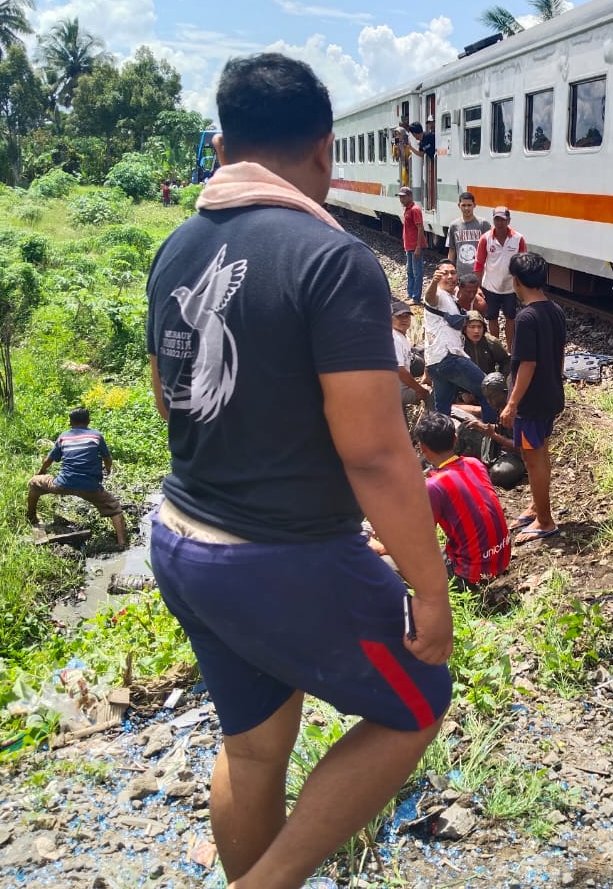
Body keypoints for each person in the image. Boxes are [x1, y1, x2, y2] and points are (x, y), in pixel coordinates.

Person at [144, 52, 452, 889]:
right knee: (418, 699)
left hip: (179, 540)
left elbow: (172, 404)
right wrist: (428, 588)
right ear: (324, 151)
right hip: (277, 558)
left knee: (252, 744)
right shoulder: (333, 259)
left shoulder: (174, 250)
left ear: (219, 145)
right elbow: (377, 450)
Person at [500, 252, 566, 544]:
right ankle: (536, 507)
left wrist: (512, 404)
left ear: (516, 281)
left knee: (533, 460)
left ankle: (545, 520)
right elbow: (560, 355)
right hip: (551, 395)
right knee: (541, 454)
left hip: (532, 401)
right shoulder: (555, 310)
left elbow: (527, 364)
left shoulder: (526, 318)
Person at [411, 411, 511, 588]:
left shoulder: (433, 485)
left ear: (423, 448)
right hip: (502, 558)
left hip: (470, 574)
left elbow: (421, 538)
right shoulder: (475, 463)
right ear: (455, 439)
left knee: (396, 565)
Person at [26, 407, 127, 548]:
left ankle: (31, 517)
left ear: (70, 422)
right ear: (88, 421)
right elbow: (107, 458)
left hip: (63, 484)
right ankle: (122, 543)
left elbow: (48, 461)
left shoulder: (64, 437)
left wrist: (41, 473)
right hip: (90, 487)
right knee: (114, 508)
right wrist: (108, 468)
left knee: (34, 483)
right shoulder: (96, 436)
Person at [423, 261, 497, 422]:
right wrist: (434, 282)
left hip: (435, 361)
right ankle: (493, 437)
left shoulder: (450, 297)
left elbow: (465, 289)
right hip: (449, 357)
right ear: (437, 275)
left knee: (442, 407)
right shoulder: (438, 295)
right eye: (445, 273)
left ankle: (439, 442)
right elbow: (430, 297)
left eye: (453, 273)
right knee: (488, 390)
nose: (450, 276)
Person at [459, 372, 527, 490]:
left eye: (493, 396)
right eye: (487, 398)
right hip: (498, 447)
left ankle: (481, 474)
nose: (490, 401)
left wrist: (493, 435)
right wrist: (484, 427)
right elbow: (502, 430)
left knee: (498, 474)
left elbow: (521, 447)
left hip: (516, 456)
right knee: (466, 428)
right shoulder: (499, 407)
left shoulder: (516, 412)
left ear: (505, 392)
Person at [474, 206, 526, 351]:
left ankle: (510, 349)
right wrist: (478, 287)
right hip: (490, 286)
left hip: (510, 287)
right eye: (497, 219)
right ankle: (496, 349)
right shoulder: (485, 239)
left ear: (508, 220)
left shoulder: (518, 239)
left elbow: (523, 263)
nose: (499, 223)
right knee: (492, 318)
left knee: (511, 318)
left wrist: (521, 285)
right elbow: (479, 264)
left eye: (503, 219)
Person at [392, 298, 431, 409]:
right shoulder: (394, 338)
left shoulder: (402, 336)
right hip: (394, 390)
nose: (404, 320)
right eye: (399, 317)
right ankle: (432, 423)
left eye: (407, 316)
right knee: (430, 394)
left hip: (399, 385)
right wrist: (419, 389)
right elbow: (400, 370)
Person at [446, 191, 486, 274]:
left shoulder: (483, 224)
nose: (466, 208)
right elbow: (452, 250)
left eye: (469, 205)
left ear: (474, 205)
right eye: (463, 205)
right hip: (461, 272)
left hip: (479, 272)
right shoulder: (454, 226)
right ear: (459, 206)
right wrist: (450, 269)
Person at [398, 185, 426, 304]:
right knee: (409, 271)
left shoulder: (415, 209)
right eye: (400, 197)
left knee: (417, 272)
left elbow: (420, 228)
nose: (401, 199)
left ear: (410, 196)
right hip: (409, 246)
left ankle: (416, 297)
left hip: (415, 246)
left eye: (403, 197)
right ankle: (410, 294)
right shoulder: (407, 209)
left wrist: (418, 247)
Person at [462, 310, 510, 378]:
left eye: (479, 327)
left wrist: (500, 377)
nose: (476, 331)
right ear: (464, 329)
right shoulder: (459, 344)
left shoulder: (492, 342)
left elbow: (506, 361)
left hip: (487, 382)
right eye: (472, 327)